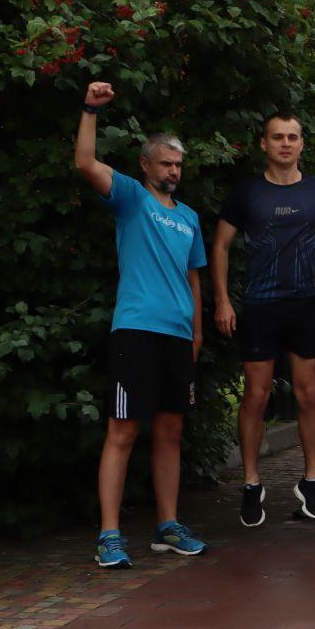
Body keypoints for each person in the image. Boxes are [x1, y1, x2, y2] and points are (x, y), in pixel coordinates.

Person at [76, 83, 208, 568]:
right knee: (123, 430)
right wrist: (91, 109)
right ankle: (109, 535)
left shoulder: (190, 217)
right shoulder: (131, 198)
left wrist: (196, 332)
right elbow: (86, 164)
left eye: (178, 164)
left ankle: (167, 526)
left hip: (177, 338)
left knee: (170, 431)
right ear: (146, 165)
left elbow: (193, 278)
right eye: (165, 163)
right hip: (135, 331)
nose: (173, 171)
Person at [209, 112, 315, 528]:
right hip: (259, 305)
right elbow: (220, 246)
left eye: (293, 137)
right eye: (277, 137)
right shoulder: (247, 192)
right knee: (256, 395)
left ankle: (310, 481)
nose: (285, 144)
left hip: (305, 305)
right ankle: (251, 482)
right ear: (264, 144)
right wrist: (222, 301)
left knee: (310, 396)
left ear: (303, 144)